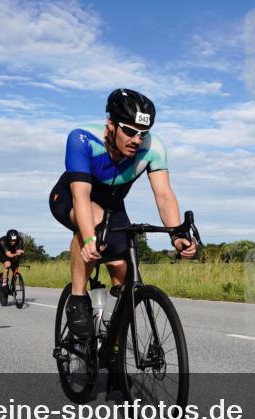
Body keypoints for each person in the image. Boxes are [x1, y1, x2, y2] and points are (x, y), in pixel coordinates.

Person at [48, 88, 197, 337]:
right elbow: (81, 196)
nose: (137, 140)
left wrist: (176, 234)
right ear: (111, 125)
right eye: (129, 131)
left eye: (142, 133)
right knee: (92, 224)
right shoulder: (83, 139)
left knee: (122, 271)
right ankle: (77, 299)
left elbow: (164, 195)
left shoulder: (154, 148)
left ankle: (108, 334)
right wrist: (87, 239)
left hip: (113, 206)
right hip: (70, 198)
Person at [0, 229, 25, 293]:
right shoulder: (2, 241)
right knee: (8, 264)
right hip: (2, 253)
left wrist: (20, 253)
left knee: (16, 267)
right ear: (8, 239)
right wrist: (17, 253)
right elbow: (9, 255)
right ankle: (4, 284)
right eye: (12, 241)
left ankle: (13, 285)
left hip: (12, 252)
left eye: (15, 240)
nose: (13, 242)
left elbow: (19, 251)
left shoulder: (20, 240)